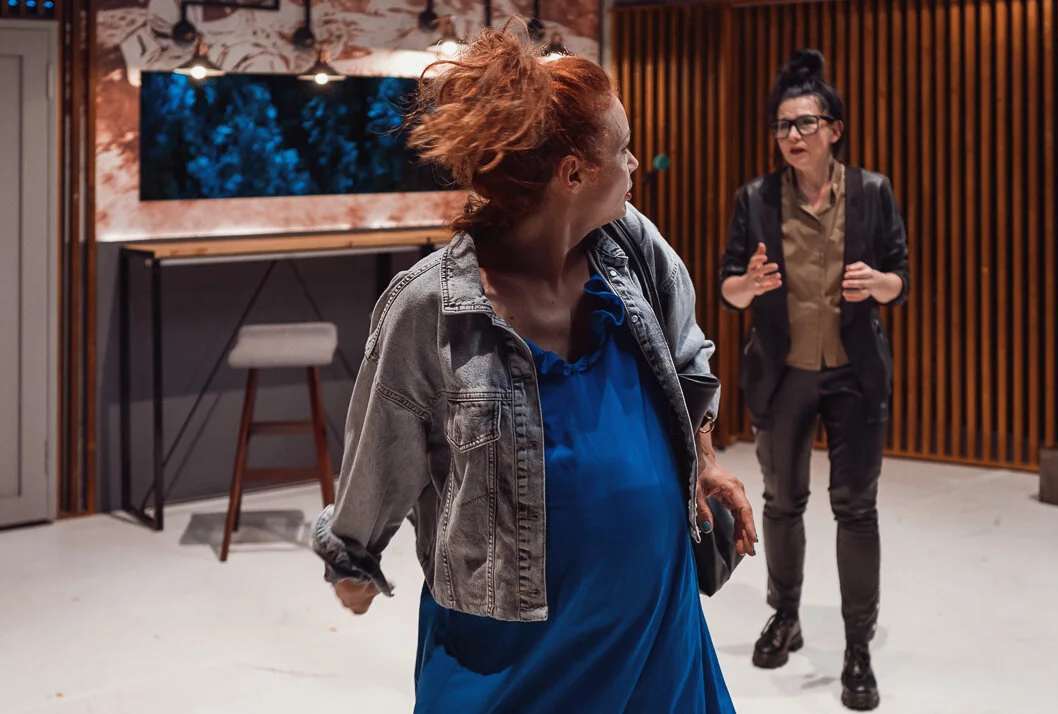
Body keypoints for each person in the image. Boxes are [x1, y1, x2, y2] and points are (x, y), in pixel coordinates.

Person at [310, 26, 757, 713]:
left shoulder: (633, 251)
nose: (635, 163)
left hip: (658, 640)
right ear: (573, 174)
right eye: (623, 149)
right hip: (512, 662)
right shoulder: (431, 308)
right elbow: (381, 450)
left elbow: (687, 359)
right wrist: (353, 564)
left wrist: (704, 461)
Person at [718, 48, 910, 712]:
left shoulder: (874, 192)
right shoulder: (755, 198)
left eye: (804, 123)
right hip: (783, 375)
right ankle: (785, 614)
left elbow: (900, 276)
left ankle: (857, 646)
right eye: (782, 126)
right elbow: (729, 288)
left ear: (834, 129)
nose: (792, 135)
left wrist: (879, 283)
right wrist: (747, 285)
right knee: (782, 503)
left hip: (856, 374)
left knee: (856, 508)